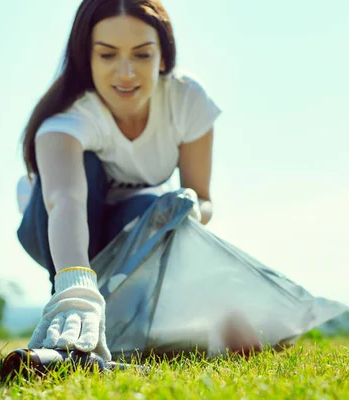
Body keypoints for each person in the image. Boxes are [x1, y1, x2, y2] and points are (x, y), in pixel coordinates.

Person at [16, 0, 221, 362]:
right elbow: (65, 200)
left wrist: (184, 211)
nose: (125, 73)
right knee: (89, 167)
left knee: (151, 206)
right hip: (55, 231)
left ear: (162, 57)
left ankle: (125, 327)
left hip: (128, 229)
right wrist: (75, 287)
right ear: (87, 59)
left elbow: (203, 199)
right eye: (108, 55)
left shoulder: (187, 100)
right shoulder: (68, 120)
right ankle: (70, 320)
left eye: (141, 55)